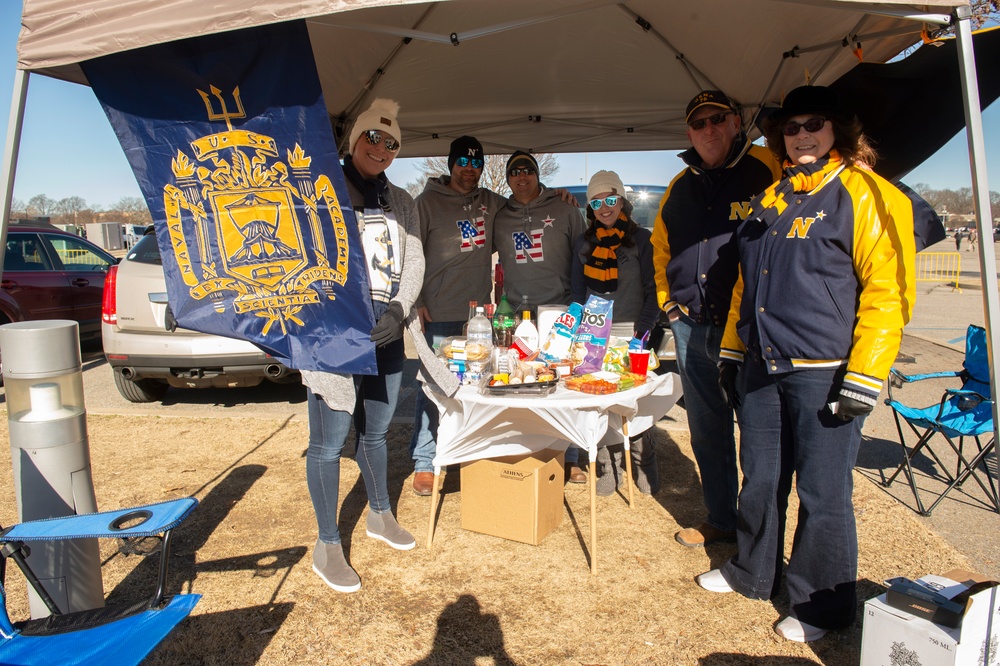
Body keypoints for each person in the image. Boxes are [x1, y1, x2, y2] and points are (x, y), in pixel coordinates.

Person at [699, 85, 915, 643]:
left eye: (813, 124)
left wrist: (866, 373)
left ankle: (821, 606)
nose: (801, 136)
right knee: (763, 477)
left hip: (827, 369)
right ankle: (752, 571)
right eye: (791, 128)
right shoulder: (773, 196)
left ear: (838, 130)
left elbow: (887, 291)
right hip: (763, 364)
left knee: (822, 491)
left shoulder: (866, 193)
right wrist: (731, 348)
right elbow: (747, 282)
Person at [300, 98, 423, 593]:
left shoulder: (403, 201)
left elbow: (412, 261)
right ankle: (327, 543)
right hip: (332, 329)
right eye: (373, 137)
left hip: (385, 326)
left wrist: (399, 310)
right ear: (353, 141)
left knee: (376, 431)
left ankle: (379, 515)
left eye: (391, 143)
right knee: (328, 443)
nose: (381, 148)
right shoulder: (320, 190)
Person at [650, 91, 781, 546]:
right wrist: (669, 304)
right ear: (689, 133)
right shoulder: (678, 185)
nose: (708, 130)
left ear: (736, 123)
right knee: (708, 430)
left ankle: (759, 535)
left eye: (717, 120)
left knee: (758, 437)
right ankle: (722, 520)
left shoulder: (767, 167)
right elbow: (661, 250)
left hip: (746, 329)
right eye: (699, 123)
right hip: (689, 325)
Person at [409, 136, 507, 495]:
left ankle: (470, 455)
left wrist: (557, 195)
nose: (470, 170)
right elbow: (411, 253)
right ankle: (425, 461)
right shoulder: (426, 204)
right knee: (433, 388)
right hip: (436, 312)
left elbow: (525, 202)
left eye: (476, 163)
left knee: (476, 387)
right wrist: (416, 299)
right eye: (463, 163)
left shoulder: (491, 203)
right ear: (451, 165)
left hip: (477, 317)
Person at [495, 151, 588, 482]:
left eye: (528, 171)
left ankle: (573, 456)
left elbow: (585, 253)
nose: (522, 177)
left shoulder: (564, 208)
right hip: (520, 314)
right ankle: (530, 451)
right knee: (522, 382)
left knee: (564, 383)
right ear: (507, 179)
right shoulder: (499, 214)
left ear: (537, 175)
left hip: (560, 309)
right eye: (515, 172)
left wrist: (581, 305)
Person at [571, 170, 660, 495]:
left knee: (633, 404)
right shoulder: (583, 243)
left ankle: (642, 459)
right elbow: (577, 295)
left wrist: (644, 331)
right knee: (598, 403)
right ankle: (606, 465)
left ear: (622, 200)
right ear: (590, 206)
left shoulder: (642, 240)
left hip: (632, 332)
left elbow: (653, 291)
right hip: (594, 336)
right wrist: (574, 332)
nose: (605, 207)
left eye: (611, 199)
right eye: (597, 201)